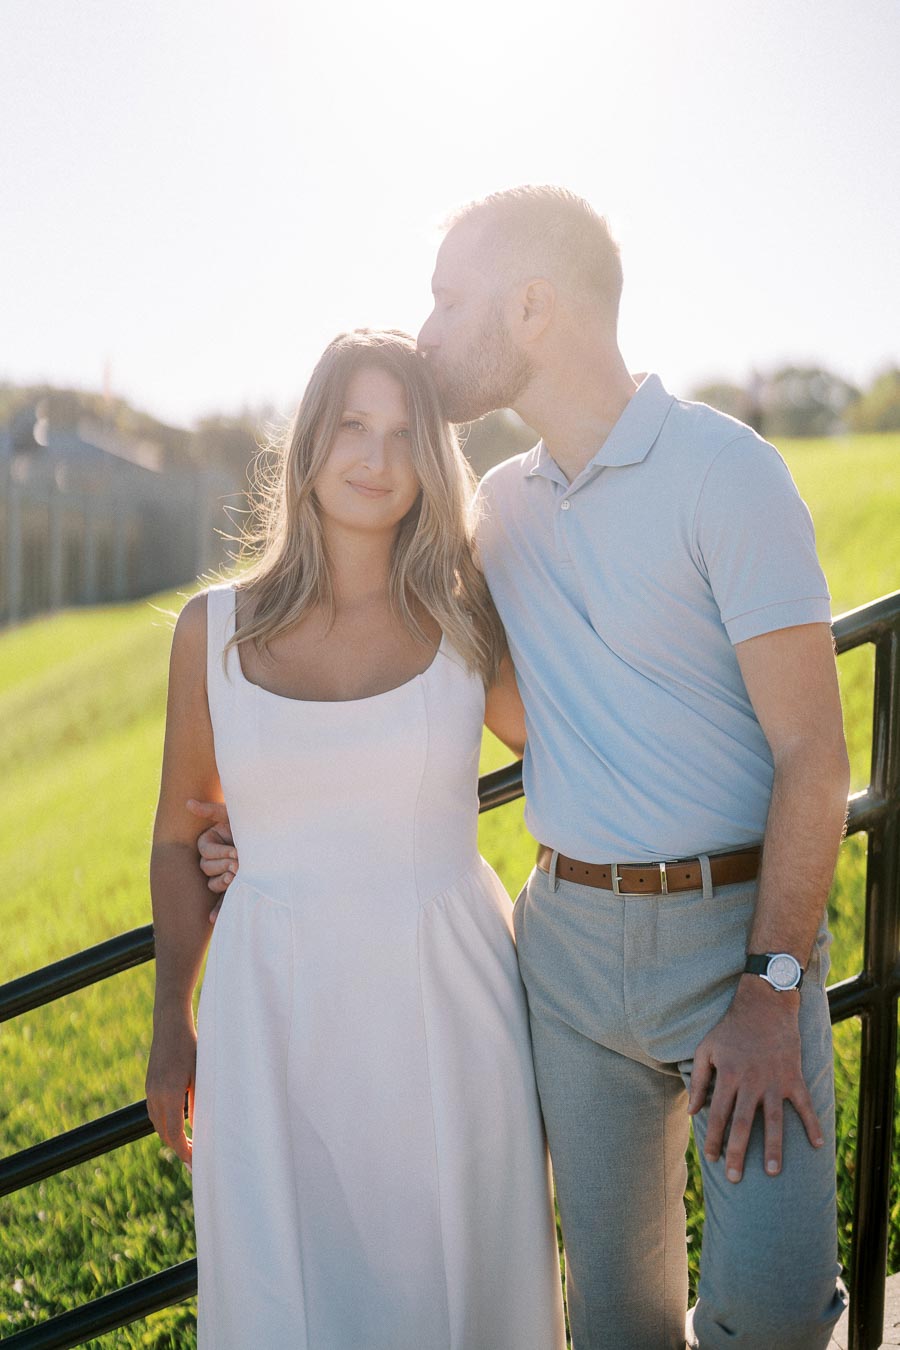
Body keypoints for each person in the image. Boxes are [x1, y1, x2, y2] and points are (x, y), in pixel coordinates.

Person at [197, 189, 851, 1348]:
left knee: (776, 1317)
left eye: (451, 299)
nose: (430, 329)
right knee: (612, 1324)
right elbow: (464, 707)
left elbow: (814, 752)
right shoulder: (496, 512)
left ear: (532, 306)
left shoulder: (724, 471)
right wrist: (303, 826)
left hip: (738, 941)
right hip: (567, 955)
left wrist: (773, 985)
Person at [145, 328, 566, 1350]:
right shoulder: (213, 630)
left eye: (401, 435)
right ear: (309, 446)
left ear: (433, 461)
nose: (375, 460)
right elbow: (176, 832)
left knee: (461, 1276)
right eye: (351, 428)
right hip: (272, 1005)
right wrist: (171, 1016)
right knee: (294, 1284)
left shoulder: (468, 612)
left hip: (451, 999)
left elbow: (569, 745)